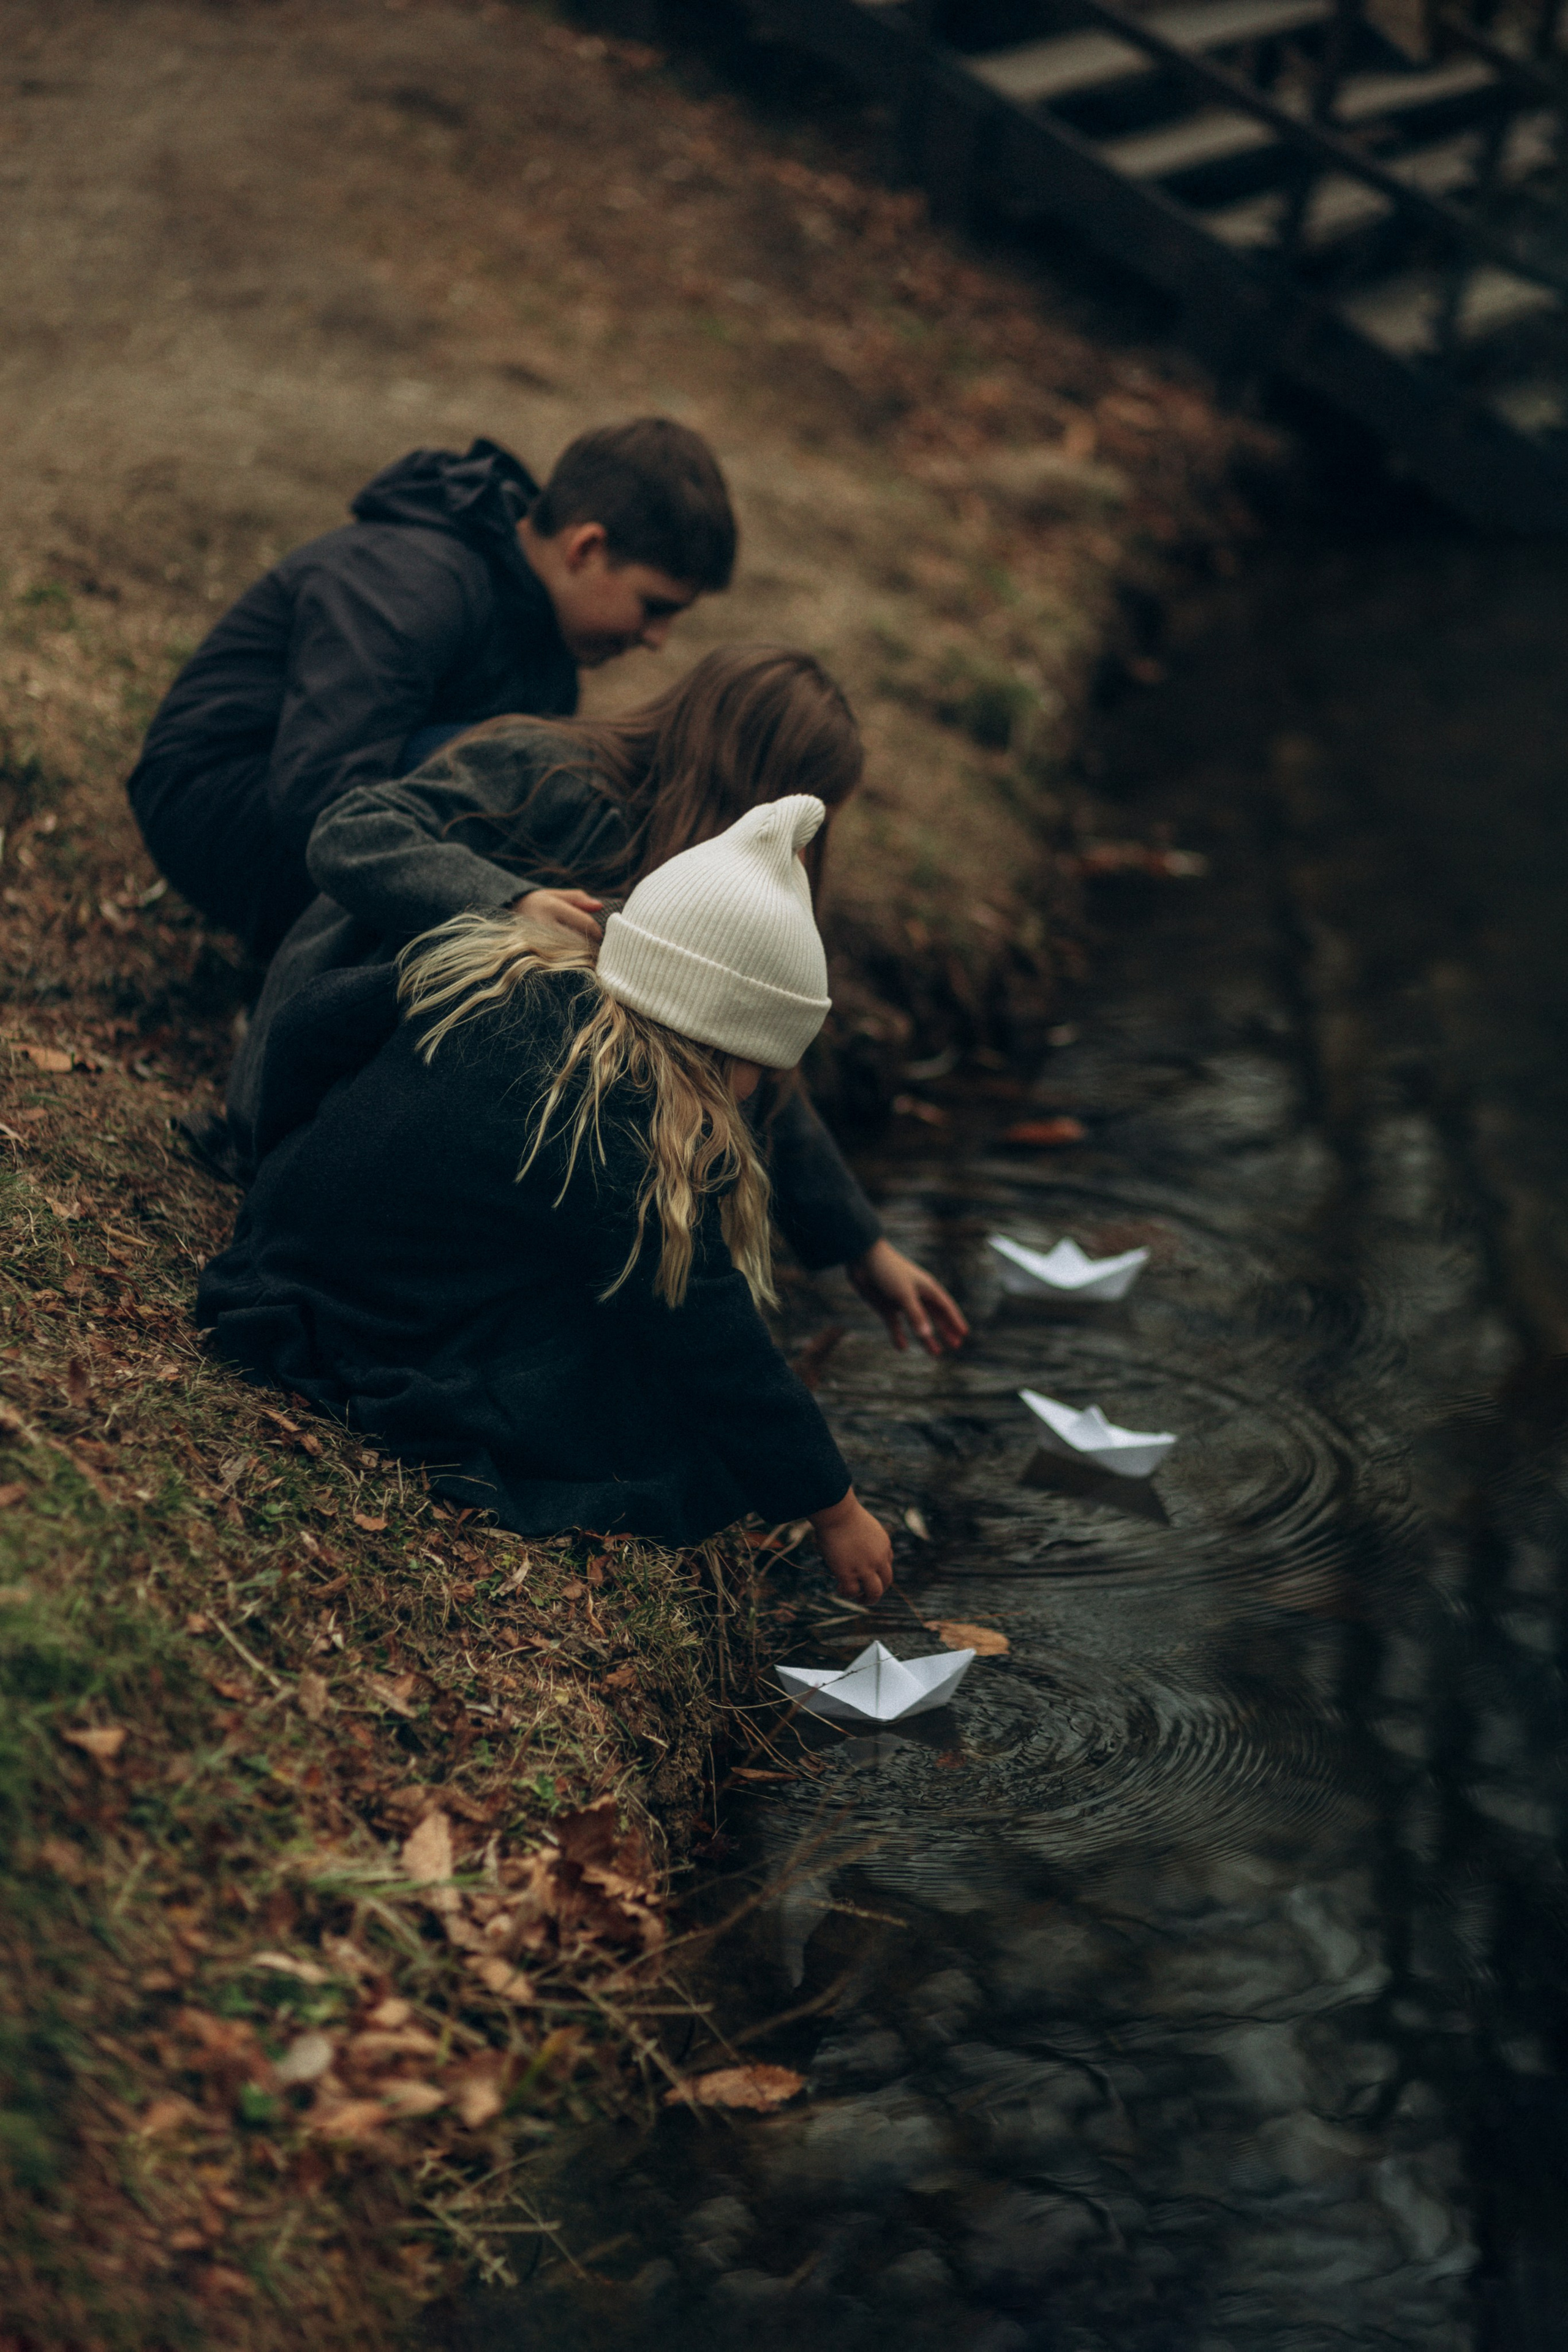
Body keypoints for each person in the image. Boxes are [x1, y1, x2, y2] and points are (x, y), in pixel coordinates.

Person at [197, 796, 900, 1598]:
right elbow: (718, 1345)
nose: (763, 1088)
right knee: (649, 1410)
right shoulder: (626, 1132)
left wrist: (283, 1166)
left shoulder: (501, 970)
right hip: (377, 1325)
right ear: (721, 1035)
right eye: (764, 1066)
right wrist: (834, 1507)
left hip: (280, 1254)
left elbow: (306, 1024)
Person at [222, 643, 968, 1358]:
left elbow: (747, 1053)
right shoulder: (548, 771)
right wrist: (507, 901)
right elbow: (351, 834)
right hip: (326, 1109)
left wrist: (861, 1245)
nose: (804, 852)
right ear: (758, 784)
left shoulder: (703, 882)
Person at [126, 420, 735, 958]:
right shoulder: (414, 582)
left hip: (316, 817)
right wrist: (496, 898)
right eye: (653, 607)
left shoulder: (548, 654)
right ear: (586, 548)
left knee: (544, 789)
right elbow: (320, 795)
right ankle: (316, 986)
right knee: (507, 774)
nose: (657, 639)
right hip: (217, 805)